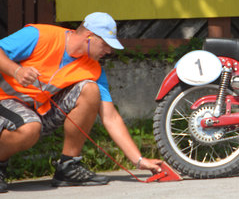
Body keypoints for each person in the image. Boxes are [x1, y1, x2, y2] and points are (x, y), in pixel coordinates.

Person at [0, 12, 163, 192]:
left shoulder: (93, 69)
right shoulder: (40, 35)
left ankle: (68, 167)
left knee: (90, 89)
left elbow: (110, 117)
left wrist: (139, 160)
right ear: (89, 36)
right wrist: (16, 71)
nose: (109, 51)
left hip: (37, 112)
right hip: (4, 101)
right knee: (30, 127)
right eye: (105, 44)